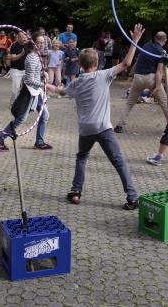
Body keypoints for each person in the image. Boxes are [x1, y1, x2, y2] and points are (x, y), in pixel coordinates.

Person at [45, 23, 145, 210]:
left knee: (82, 158)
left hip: (85, 130)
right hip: (103, 127)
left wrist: (47, 86)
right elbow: (126, 64)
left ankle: (76, 192)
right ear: (96, 64)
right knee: (119, 161)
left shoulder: (76, 83)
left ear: (81, 65)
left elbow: (60, 91)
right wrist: (135, 41)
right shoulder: (103, 76)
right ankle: (132, 197)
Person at [0, 34, 52, 151]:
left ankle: (39, 142)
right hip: (30, 91)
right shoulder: (31, 58)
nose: (41, 44)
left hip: (36, 91)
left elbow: (34, 74)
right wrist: (47, 85)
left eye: (42, 42)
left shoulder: (37, 56)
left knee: (44, 115)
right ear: (33, 43)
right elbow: (29, 80)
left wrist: (42, 74)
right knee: (21, 119)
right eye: (39, 42)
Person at [114, 31, 168, 133]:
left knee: (130, 103)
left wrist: (131, 75)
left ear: (155, 38)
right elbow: (159, 71)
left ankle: (119, 125)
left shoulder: (146, 46)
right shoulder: (162, 52)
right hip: (151, 78)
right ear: (165, 40)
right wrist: (158, 86)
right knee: (164, 103)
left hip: (138, 77)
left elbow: (138, 61)